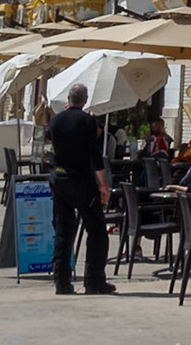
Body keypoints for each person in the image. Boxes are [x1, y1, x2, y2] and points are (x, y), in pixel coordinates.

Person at [47, 82, 115, 295]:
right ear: (84, 100)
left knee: (63, 231)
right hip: (82, 181)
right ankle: (94, 280)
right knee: (96, 230)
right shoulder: (88, 122)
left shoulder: (55, 121)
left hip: (59, 179)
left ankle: (62, 280)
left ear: (68, 99)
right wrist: (103, 184)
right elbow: (96, 157)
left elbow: (50, 146)